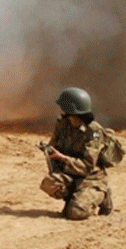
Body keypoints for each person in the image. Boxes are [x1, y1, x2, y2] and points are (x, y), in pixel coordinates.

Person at [39, 87, 114, 220]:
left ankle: (102, 194)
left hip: (91, 178)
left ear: (72, 110)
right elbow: (54, 146)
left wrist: (63, 158)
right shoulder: (62, 125)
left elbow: (87, 167)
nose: (61, 110)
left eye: (64, 107)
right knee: (49, 183)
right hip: (71, 174)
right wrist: (49, 151)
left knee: (76, 213)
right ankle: (71, 199)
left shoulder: (93, 132)